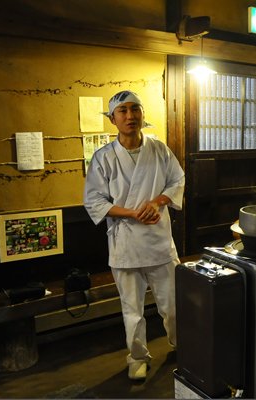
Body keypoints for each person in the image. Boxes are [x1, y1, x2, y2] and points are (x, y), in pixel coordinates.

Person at [83, 90, 185, 381]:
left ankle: (182, 345)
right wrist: (132, 213)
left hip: (159, 241)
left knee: (173, 304)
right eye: (123, 111)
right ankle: (138, 357)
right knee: (132, 310)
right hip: (125, 243)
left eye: (135, 109)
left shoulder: (159, 149)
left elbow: (177, 180)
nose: (130, 116)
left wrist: (157, 202)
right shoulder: (103, 157)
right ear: (112, 119)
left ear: (142, 114)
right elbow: (94, 200)